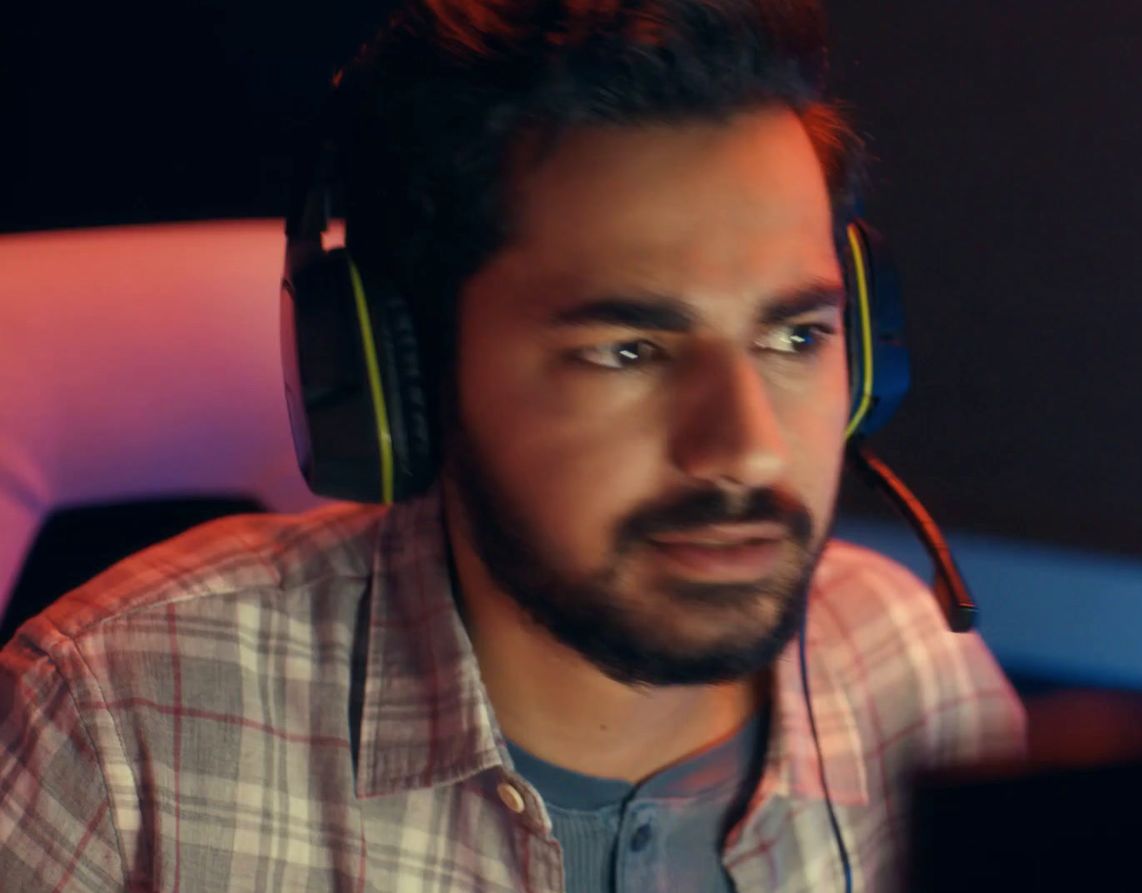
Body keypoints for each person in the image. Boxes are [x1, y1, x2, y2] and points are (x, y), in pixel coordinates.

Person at [0, 0, 1025, 889]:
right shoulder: (120, 725)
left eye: (796, 336)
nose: (747, 450)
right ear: (409, 375)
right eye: (627, 350)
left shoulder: (912, 672)